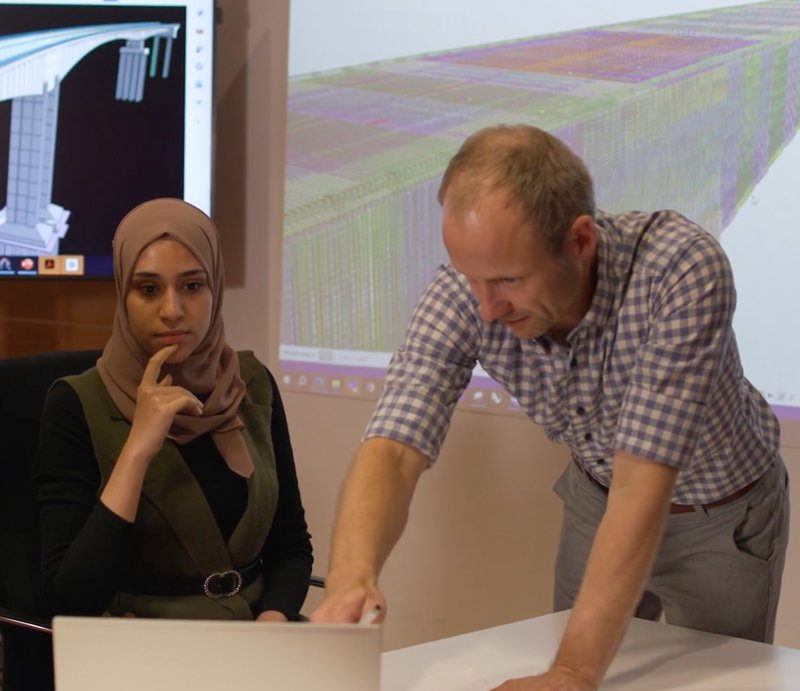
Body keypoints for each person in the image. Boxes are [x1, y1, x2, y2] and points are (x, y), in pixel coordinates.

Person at [312, 125, 790, 689]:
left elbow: (642, 485)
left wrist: (572, 671)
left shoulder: (680, 268)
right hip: (597, 494)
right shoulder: (469, 294)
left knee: (716, 681)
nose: (487, 309)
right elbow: (393, 449)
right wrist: (350, 577)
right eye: (471, 279)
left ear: (580, 240)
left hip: (721, 517)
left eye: (509, 280)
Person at [36, 198, 312, 622]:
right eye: (148, 289)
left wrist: (273, 622)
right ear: (123, 295)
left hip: (255, 633)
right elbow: (72, 599)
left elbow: (291, 545)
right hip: (143, 641)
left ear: (215, 288)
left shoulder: (251, 384)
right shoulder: (77, 404)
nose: (172, 311)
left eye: (192, 286)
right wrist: (137, 451)